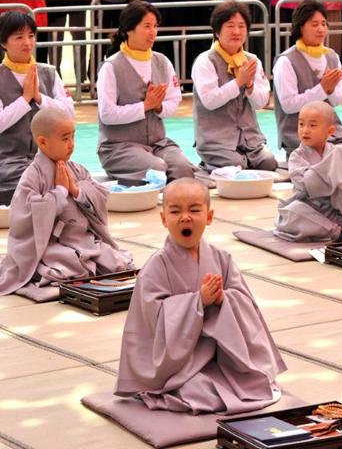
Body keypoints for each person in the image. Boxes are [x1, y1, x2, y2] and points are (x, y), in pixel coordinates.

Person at [115, 177, 287, 414]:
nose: (185, 217)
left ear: (209, 216)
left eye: (194, 210)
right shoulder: (156, 266)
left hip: (221, 355)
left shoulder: (221, 258)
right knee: (199, 391)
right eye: (175, 211)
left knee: (250, 382)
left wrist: (222, 299)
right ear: (164, 219)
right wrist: (197, 302)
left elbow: (246, 305)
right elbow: (150, 321)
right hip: (178, 366)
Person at [0, 108, 134, 297]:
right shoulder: (31, 177)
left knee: (118, 263)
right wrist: (60, 192)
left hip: (83, 241)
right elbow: (25, 216)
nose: (71, 145)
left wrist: (77, 191)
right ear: (43, 142)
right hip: (51, 246)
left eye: (73, 137)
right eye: (65, 139)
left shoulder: (78, 170)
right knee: (66, 270)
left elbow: (100, 197)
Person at [97, 1, 195, 182]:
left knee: (183, 170)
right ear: (129, 29)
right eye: (147, 26)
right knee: (157, 170)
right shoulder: (111, 66)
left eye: (155, 26)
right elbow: (107, 114)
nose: (153, 32)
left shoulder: (162, 61)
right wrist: (145, 106)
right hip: (120, 146)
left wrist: (158, 107)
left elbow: (174, 101)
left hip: (157, 144)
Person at [273, 0, 342, 166]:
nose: (321, 29)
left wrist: (330, 91)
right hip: (300, 131)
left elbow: (338, 99)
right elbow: (288, 105)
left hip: (330, 129)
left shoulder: (332, 56)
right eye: (314, 24)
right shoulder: (286, 61)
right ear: (301, 27)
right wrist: (322, 88)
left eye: (324, 24)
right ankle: (300, 155)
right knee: (328, 161)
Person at [274, 101, 342, 242]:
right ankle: (339, 234)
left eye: (312, 125)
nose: (305, 130)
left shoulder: (336, 152)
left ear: (330, 131)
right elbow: (307, 186)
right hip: (311, 208)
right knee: (295, 212)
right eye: (301, 124)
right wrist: (331, 167)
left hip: (336, 208)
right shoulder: (297, 156)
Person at [192, 1, 276, 172]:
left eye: (242, 26)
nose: (237, 32)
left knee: (269, 163)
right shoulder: (205, 60)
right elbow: (210, 101)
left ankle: (241, 159)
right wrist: (238, 82)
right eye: (230, 26)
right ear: (217, 31)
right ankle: (208, 162)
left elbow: (261, 102)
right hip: (216, 140)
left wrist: (250, 84)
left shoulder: (252, 60)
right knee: (236, 166)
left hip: (249, 139)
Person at [0, 12, 74, 192]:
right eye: (19, 37)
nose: (27, 42)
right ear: (3, 43)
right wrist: (25, 99)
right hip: (8, 162)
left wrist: (39, 98)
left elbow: (69, 114)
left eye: (31, 36)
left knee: (77, 181)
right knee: (39, 183)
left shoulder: (49, 72)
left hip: (50, 157)